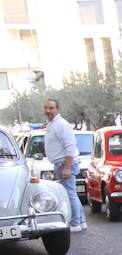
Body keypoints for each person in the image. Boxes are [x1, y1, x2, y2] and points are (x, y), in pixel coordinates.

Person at [43, 98, 87, 231]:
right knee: (72, 192)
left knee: (69, 194)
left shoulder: (61, 124)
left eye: (51, 108)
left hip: (65, 163)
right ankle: (81, 221)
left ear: (58, 109)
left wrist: (67, 167)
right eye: (46, 108)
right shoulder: (51, 124)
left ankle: (75, 224)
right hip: (61, 163)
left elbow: (70, 146)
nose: (48, 110)